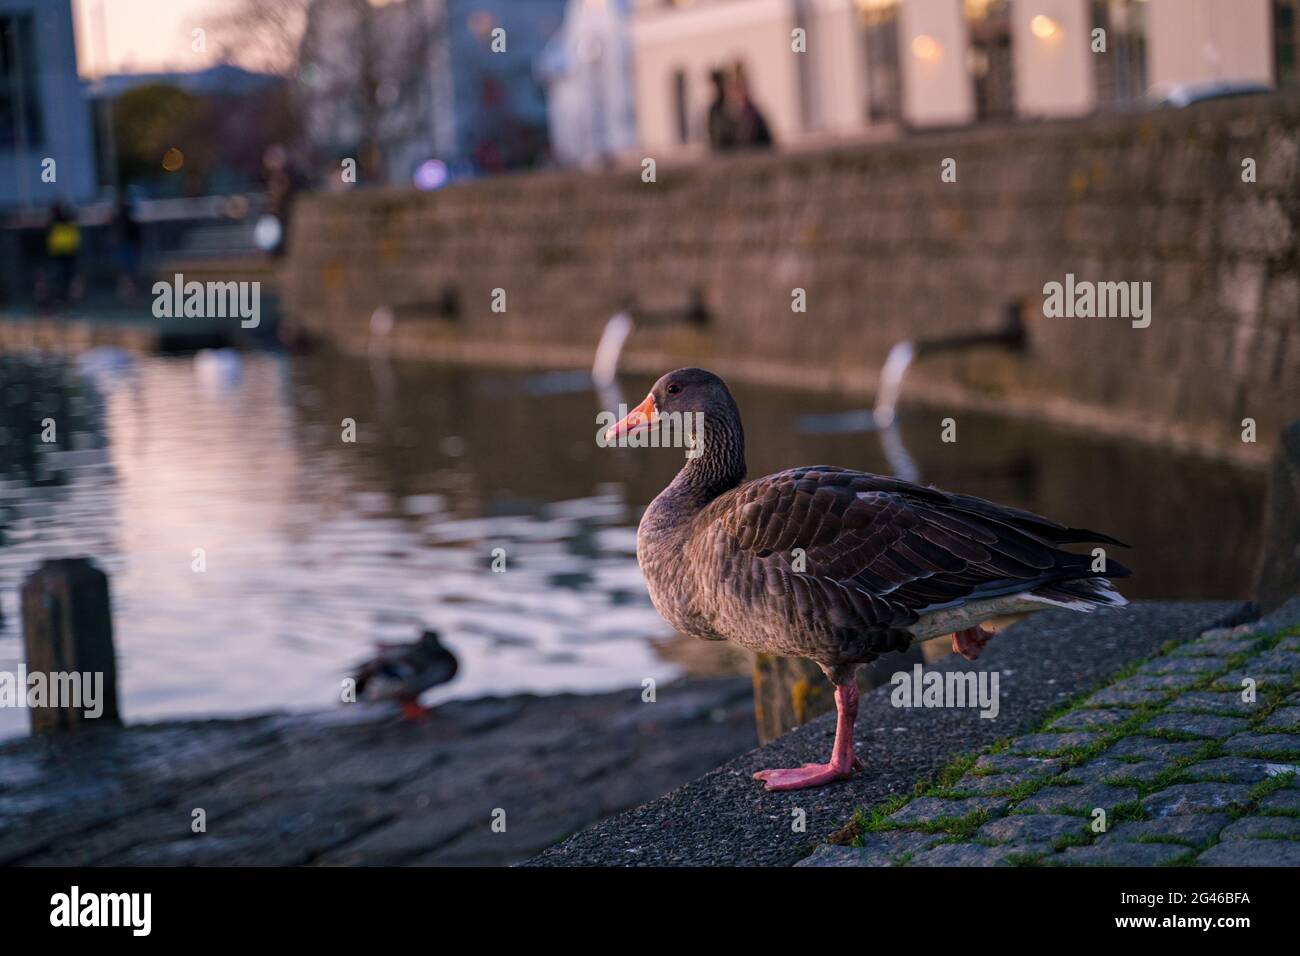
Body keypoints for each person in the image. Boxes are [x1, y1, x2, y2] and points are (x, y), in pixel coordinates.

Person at [110, 194, 143, 301]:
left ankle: (128, 292)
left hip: (126, 246)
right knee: (126, 272)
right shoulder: (126, 217)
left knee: (125, 272)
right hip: (126, 246)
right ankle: (129, 292)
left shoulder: (120, 218)